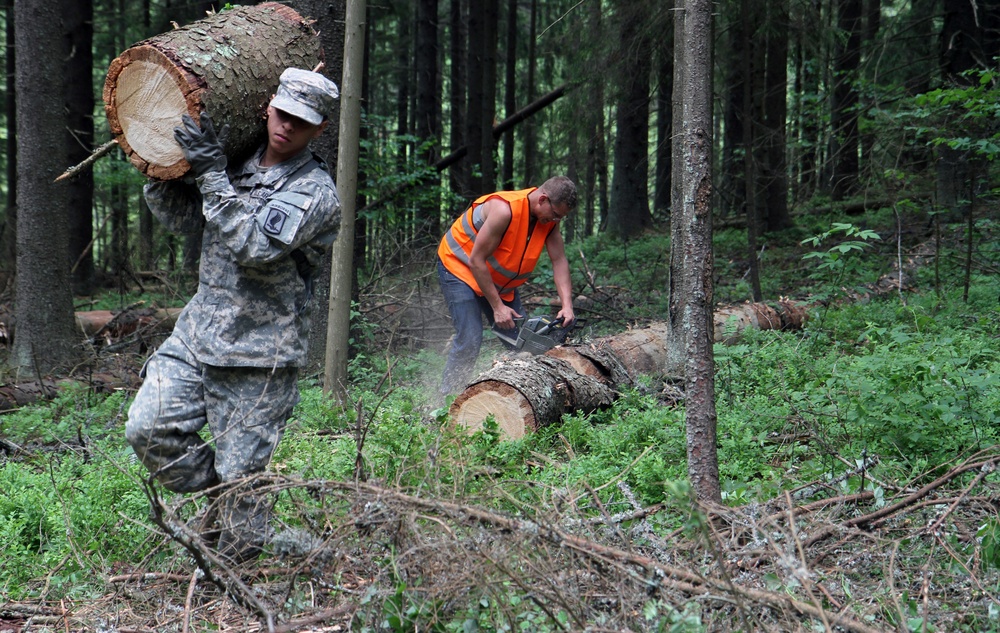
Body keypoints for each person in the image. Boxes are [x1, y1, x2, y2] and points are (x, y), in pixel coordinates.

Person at [125, 68, 342, 563]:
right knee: (146, 429)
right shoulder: (237, 162)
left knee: (242, 515)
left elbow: (254, 245)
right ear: (268, 106)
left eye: (302, 122)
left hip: (257, 356)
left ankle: (246, 554)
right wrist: (165, 163)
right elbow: (183, 218)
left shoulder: (315, 192)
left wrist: (210, 175)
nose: (287, 127)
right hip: (198, 335)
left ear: (319, 130)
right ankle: (227, 501)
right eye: (282, 114)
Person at [437, 176, 577, 395]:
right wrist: (497, 307)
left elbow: (559, 261)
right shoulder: (505, 210)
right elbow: (476, 261)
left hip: (495, 281)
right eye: (556, 215)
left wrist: (567, 305)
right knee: (471, 337)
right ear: (542, 200)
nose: (556, 221)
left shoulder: (547, 223)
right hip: (460, 268)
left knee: (525, 341)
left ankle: (529, 398)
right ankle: (447, 401)